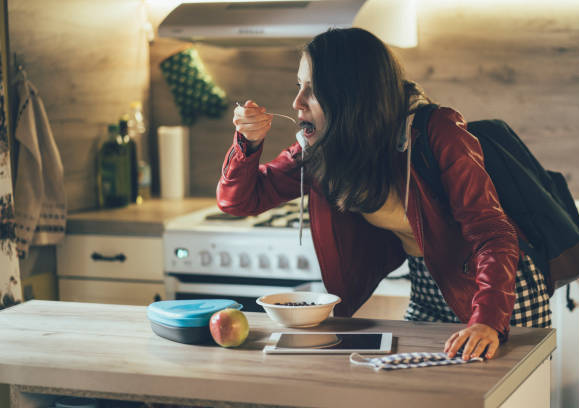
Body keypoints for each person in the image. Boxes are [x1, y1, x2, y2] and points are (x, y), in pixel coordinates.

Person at [217, 28, 551, 361]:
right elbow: (240, 200)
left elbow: (492, 234)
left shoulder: (438, 132)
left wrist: (488, 321)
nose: (296, 102)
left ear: (350, 95)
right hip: (426, 285)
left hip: (498, 292)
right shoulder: (325, 148)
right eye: (298, 86)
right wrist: (247, 145)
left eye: (313, 90)